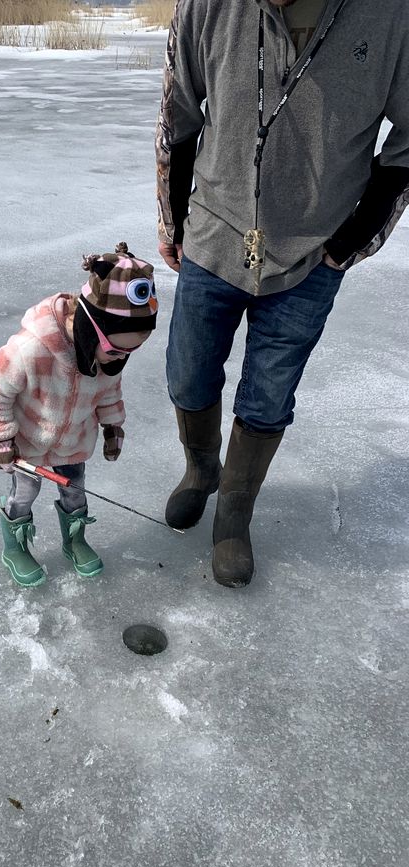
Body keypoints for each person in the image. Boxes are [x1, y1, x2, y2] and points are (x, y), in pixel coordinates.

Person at [156, 0, 409, 587]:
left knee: (268, 397)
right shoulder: (206, 6)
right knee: (187, 374)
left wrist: (353, 238)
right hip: (213, 236)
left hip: (311, 250)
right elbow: (178, 116)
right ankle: (200, 472)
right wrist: (172, 222)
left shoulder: (391, 16)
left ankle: (233, 516)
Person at [0, 244, 157, 587]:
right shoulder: (32, 349)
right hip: (27, 445)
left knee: (76, 492)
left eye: (132, 351)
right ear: (90, 328)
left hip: (73, 441)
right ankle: (15, 547)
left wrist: (112, 426)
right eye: (117, 350)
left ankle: (75, 540)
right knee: (24, 494)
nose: (120, 361)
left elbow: (109, 391)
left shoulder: (108, 359)